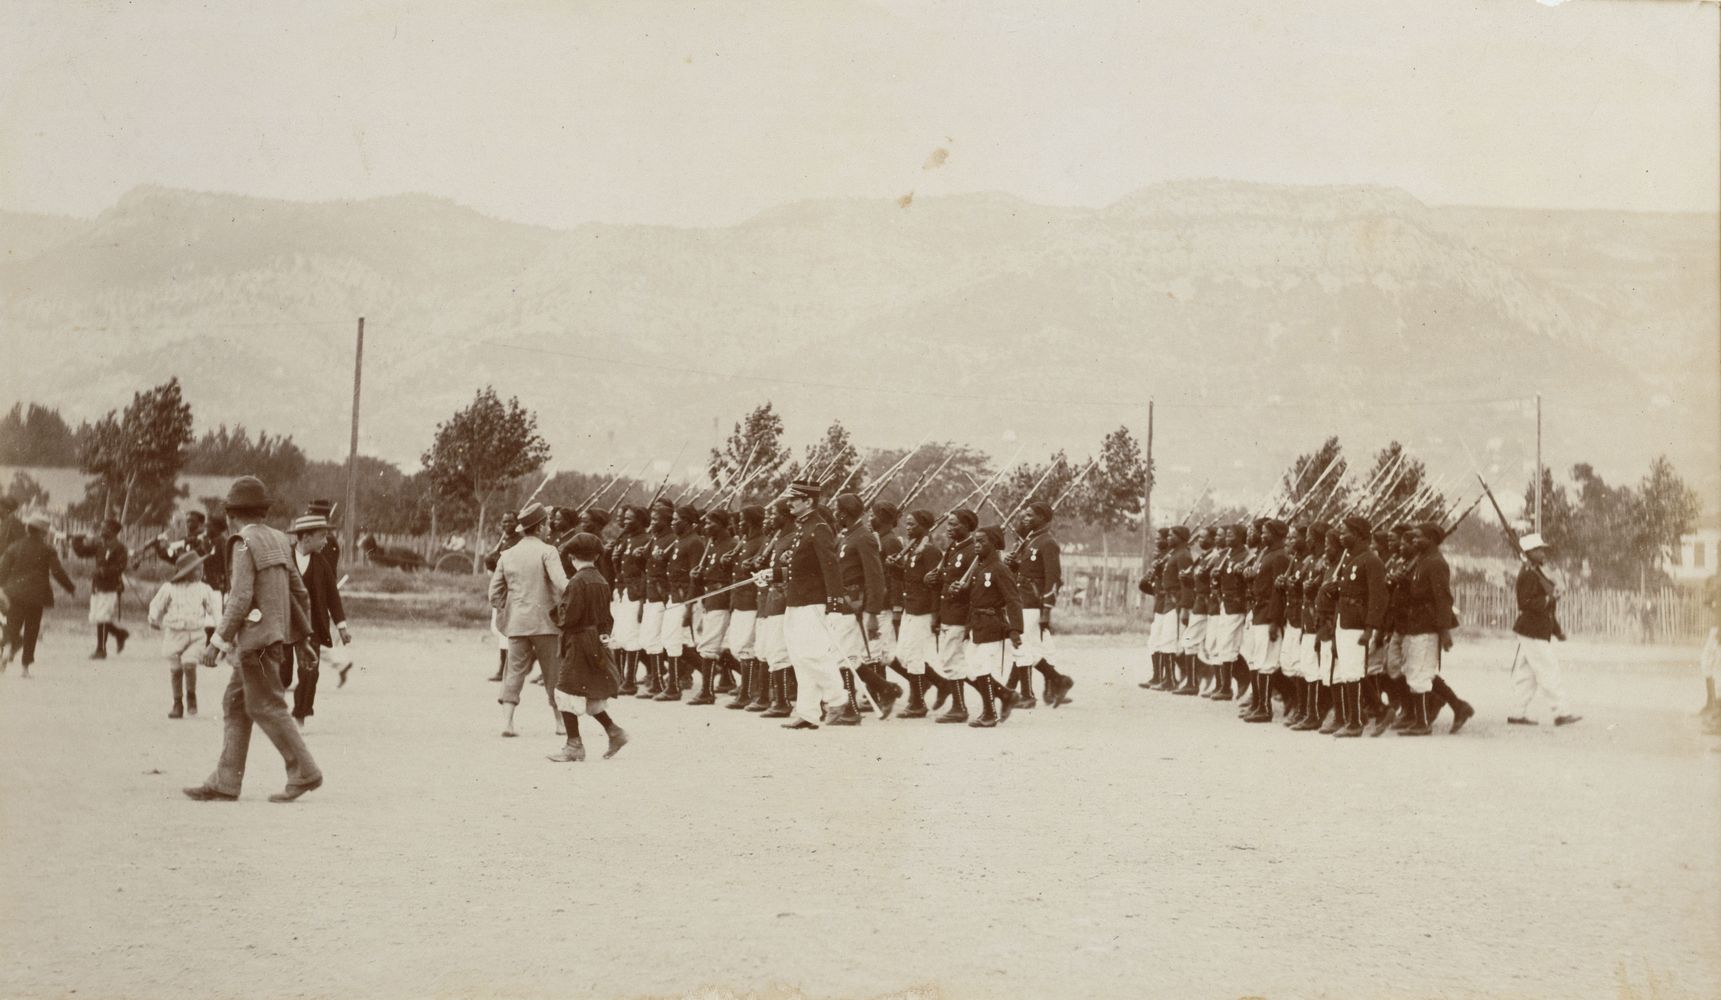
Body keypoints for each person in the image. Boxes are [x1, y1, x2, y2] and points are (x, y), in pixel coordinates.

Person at [185, 476, 322, 803]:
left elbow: (240, 597)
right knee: (235, 704)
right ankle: (225, 781)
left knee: (266, 705)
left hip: (254, 644)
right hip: (273, 640)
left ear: (232, 514)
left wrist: (216, 643)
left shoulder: (242, 542)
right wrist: (302, 639)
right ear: (262, 511)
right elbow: (298, 593)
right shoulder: (278, 539)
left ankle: (304, 770)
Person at [762, 479, 848, 730]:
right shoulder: (803, 527)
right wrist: (774, 574)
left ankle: (837, 697)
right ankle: (808, 713)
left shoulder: (819, 528)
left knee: (812, 653)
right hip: (797, 600)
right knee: (799, 657)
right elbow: (802, 569)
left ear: (808, 501)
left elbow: (830, 569)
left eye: (794, 499)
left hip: (813, 602)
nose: (789, 503)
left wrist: (834, 604)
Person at [547, 532, 629, 761]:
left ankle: (574, 745)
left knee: (564, 689)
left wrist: (555, 612)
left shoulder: (577, 582)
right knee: (589, 691)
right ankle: (614, 732)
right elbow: (607, 618)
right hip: (596, 641)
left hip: (578, 641)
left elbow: (569, 617)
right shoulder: (602, 581)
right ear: (595, 556)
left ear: (572, 557)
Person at [491, 502, 569, 737]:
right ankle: (560, 723)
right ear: (541, 526)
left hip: (517, 623)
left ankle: (508, 723)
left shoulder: (507, 554)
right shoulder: (548, 551)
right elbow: (562, 583)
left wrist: (507, 610)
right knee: (553, 674)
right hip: (546, 623)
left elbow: (494, 593)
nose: (549, 528)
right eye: (547, 524)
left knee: (513, 672)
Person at [1396, 522, 1473, 735]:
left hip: (1426, 625)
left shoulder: (1436, 563)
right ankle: (1458, 707)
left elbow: (1442, 599)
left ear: (1431, 539)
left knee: (1420, 673)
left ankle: (1422, 723)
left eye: (1418, 537)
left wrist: (1444, 631)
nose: (1414, 540)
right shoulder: (1422, 560)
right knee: (1416, 670)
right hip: (1415, 624)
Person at [1508, 533, 1580, 727]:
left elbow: (1547, 607)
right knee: (1549, 669)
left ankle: (1517, 712)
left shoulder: (1537, 572)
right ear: (1529, 553)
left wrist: (1557, 630)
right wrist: (1550, 598)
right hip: (1532, 629)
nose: (1543, 553)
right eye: (1539, 550)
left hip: (1534, 629)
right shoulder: (1529, 573)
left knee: (1527, 675)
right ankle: (1561, 712)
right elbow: (1525, 603)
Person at [286, 514, 352, 727]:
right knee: (282, 673)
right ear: (305, 537)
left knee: (309, 671)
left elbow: (333, 597)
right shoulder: (284, 559)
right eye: (322, 536)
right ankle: (272, 711)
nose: (326, 541)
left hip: (312, 626)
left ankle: (300, 716)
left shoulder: (321, 563)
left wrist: (341, 626)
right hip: (284, 624)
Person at [1009, 500, 1072, 708]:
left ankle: (1037, 690)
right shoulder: (1030, 541)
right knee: (1026, 647)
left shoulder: (1048, 543)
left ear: (1042, 518)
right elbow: (1028, 572)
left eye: (1029, 515)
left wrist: (1047, 610)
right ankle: (1055, 681)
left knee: (1025, 647)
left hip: (1034, 603)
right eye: (1024, 515)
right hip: (1023, 599)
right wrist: (1015, 564)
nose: (1025, 518)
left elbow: (1052, 579)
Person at [0, 512, 77, 676]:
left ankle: (6, 649)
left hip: (14, 594)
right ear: (43, 532)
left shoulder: (14, 547)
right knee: (32, 630)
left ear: (27, 529)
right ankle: (25, 668)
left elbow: (2, 571)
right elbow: (57, 572)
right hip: (37, 595)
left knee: (12, 625)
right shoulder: (48, 549)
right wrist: (70, 588)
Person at [961, 524, 1023, 728]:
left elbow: (1013, 600)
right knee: (971, 669)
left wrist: (1015, 629)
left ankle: (989, 713)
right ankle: (1005, 695)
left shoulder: (1000, 569)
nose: (976, 545)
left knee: (983, 667)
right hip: (976, 624)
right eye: (975, 541)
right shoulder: (979, 568)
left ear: (995, 544)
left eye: (982, 541)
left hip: (992, 624)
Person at [148, 550, 222, 718]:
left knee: (189, 663)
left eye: (202, 568)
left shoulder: (204, 589)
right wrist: (153, 618)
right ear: (186, 572)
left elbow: (215, 609)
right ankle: (177, 703)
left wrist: (220, 626)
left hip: (196, 634)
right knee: (175, 668)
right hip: (174, 634)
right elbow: (156, 605)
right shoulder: (169, 589)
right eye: (197, 569)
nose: (201, 572)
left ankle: (191, 695)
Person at [71, 518, 131, 659]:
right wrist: (77, 538)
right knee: (97, 618)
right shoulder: (100, 545)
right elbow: (81, 552)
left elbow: (120, 567)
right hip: (98, 585)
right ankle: (120, 634)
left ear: (113, 531)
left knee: (102, 617)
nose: (101, 530)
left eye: (105, 528)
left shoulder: (120, 548)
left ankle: (101, 650)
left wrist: (103, 571)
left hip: (110, 586)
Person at [484, 511, 521, 682]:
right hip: (500, 589)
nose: (506, 525)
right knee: (499, 630)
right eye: (504, 522)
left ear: (517, 523)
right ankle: (505, 668)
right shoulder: (505, 541)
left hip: (510, 590)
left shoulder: (517, 542)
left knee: (505, 630)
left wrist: (495, 559)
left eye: (510, 522)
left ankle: (504, 669)